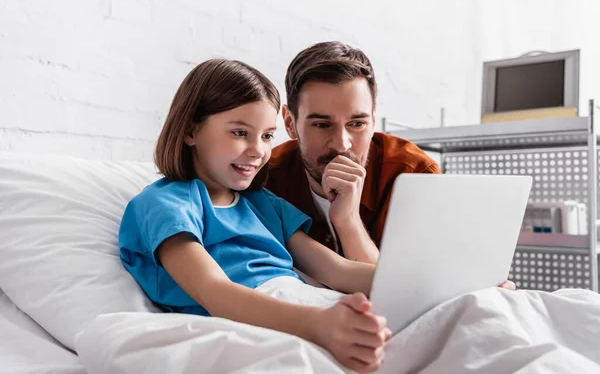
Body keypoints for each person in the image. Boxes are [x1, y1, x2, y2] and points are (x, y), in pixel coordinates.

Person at [118, 59, 390, 373]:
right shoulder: (165, 203)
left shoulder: (263, 204)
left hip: (306, 303)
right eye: (239, 133)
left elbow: (337, 271)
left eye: (267, 136)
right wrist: (319, 325)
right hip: (253, 321)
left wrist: (420, 283)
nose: (258, 151)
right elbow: (215, 293)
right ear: (191, 130)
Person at [267, 41, 515, 290]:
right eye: (322, 125)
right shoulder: (265, 178)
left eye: (357, 124)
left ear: (373, 120)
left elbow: (417, 292)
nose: (342, 145)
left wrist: (348, 220)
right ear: (290, 123)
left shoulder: (414, 173)